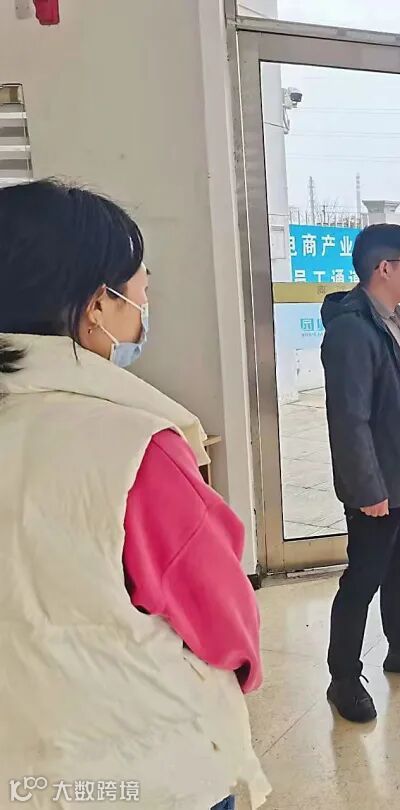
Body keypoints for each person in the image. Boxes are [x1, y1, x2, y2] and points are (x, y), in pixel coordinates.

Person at [0, 180, 268, 809]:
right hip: (142, 762)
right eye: (142, 292)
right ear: (98, 304)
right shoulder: (135, 448)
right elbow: (221, 619)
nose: (145, 311)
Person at [322, 223, 400, 724]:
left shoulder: (396, 320)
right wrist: (367, 489)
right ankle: (343, 678)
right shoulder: (353, 329)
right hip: (379, 483)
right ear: (384, 268)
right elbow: (349, 419)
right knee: (364, 577)